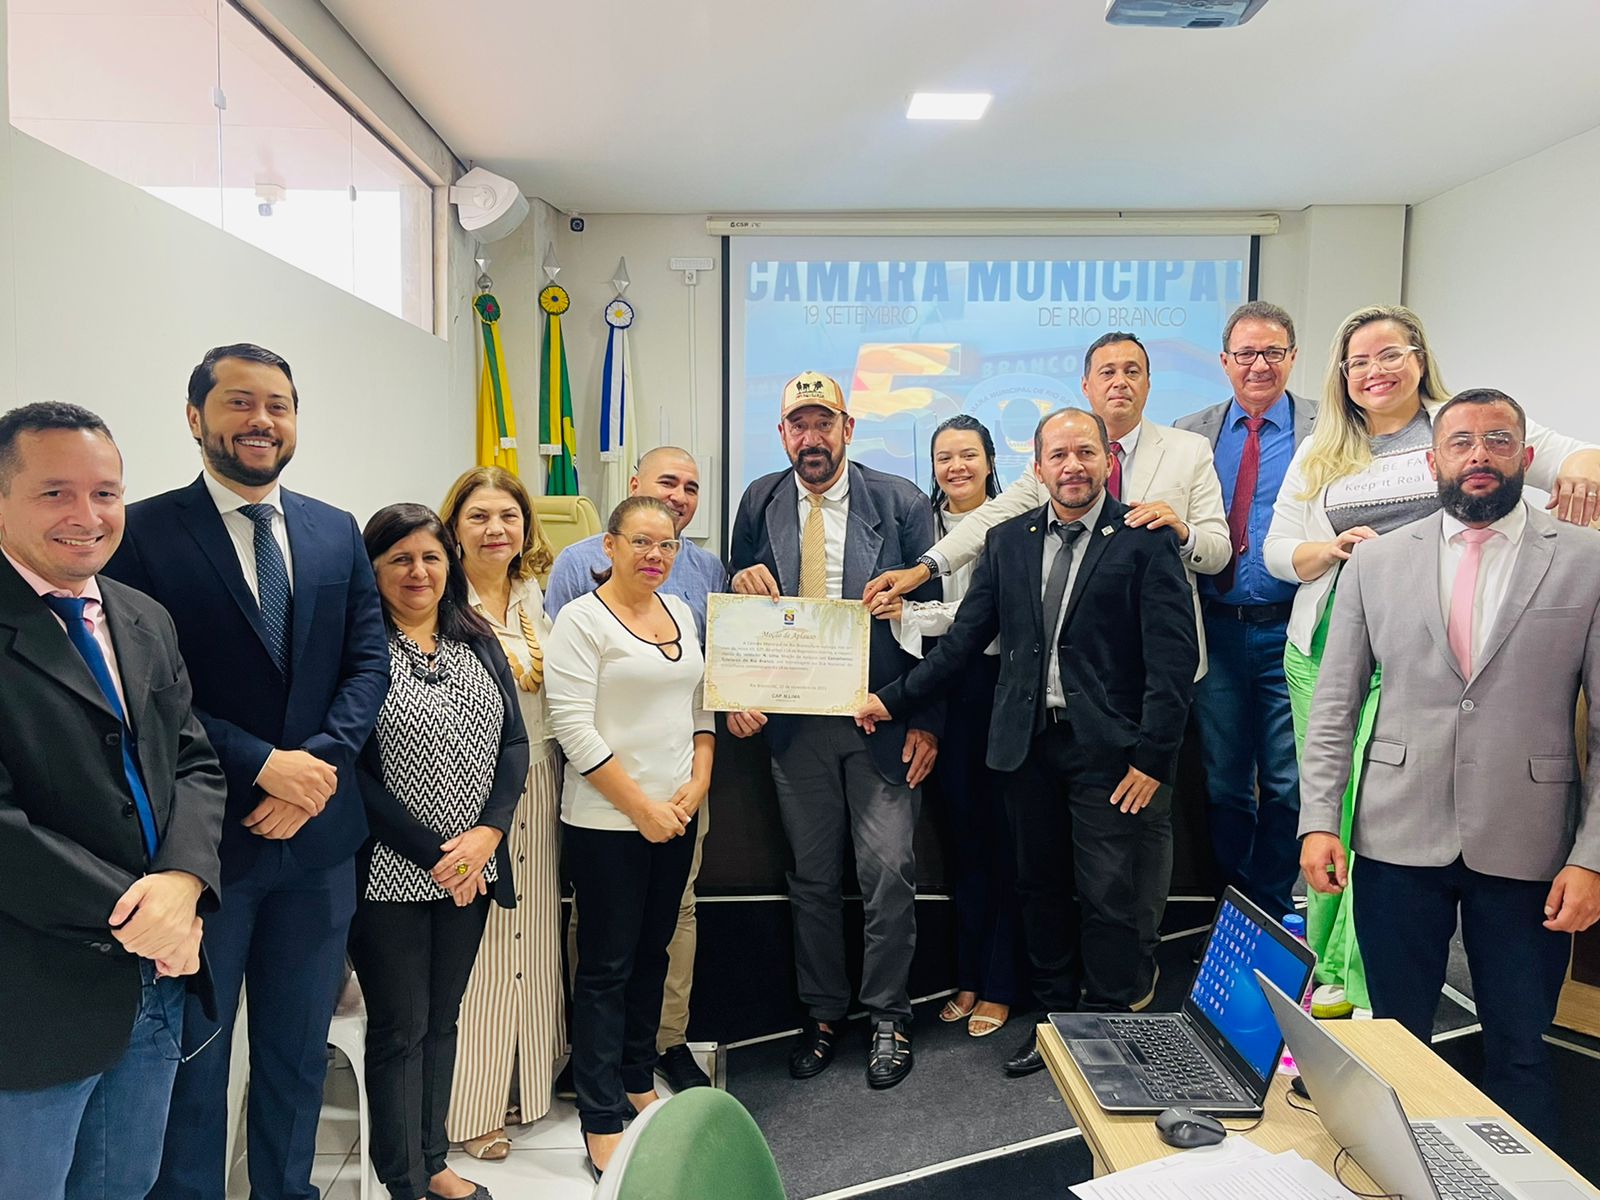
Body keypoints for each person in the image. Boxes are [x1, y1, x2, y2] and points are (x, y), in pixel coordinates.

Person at [105, 343, 390, 1200]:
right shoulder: (142, 534)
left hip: (318, 849)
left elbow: (366, 664)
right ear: (195, 418)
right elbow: (143, 688)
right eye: (239, 403)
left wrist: (315, 773)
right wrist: (263, 764)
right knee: (191, 1060)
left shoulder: (335, 529)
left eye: (278, 404)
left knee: (299, 1052)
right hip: (202, 851)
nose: (261, 420)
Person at [865, 333, 1228, 1006]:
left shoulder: (1146, 540)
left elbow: (1173, 666)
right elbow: (966, 639)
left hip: (1109, 750)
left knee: (1109, 892)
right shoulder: (1009, 540)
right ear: (1037, 466)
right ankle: (1057, 1020)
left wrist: (1152, 758)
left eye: (1086, 452)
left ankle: (1115, 1020)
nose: (1073, 465)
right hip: (1026, 744)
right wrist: (892, 700)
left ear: (1105, 465)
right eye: (1058, 454)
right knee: (1037, 886)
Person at [1265, 306, 1600, 1013]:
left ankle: (1363, 982)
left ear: (1420, 358)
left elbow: (1575, 456)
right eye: (1359, 361)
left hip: (1445, 658)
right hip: (1331, 638)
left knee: (1405, 822)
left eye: (1391, 354)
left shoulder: (1466, 424)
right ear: (1343, 376)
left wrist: (1585, 476)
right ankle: (1334, 969)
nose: (1376, 370)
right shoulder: (1322, 446)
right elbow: (1276, 551)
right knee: (1344, 811)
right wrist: (1334, 552)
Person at [1298, 388, 1600, 1140]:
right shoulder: (1375, 563)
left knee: (1521, 1051)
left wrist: (1593, 858)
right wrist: (1317, 824)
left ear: (1526, 459)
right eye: (1461, 443)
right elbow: (1334, 708)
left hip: (1530, 842)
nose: (1478, 456)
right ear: (1433, 460)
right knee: (1397, 1046)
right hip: (1397, 835)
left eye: (1498, 442)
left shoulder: (1587, 562)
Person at [0, 402, 226, 1200]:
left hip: (157, 984)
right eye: (55, 492)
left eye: (106, 492)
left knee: (122, 1186)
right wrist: (148, 913)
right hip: (33, 993)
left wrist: (187, 882)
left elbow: (194, 762)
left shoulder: (141, 618)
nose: (87, 516)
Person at [728, 370, 943, 1090]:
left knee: (888, 874)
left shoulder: (902, 502)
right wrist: (741, 582)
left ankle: (887, 1014)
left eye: (825, 424)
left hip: (881, 721)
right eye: (799, 425)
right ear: (783, 433)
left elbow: (937, 621)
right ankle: (821, 1013)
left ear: (848, 429)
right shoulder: (759, 499)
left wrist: (927, 722)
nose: (812, 438)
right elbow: (740, 599)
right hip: (797, 730)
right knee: (812, 879)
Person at [349, 504, 529, 1200]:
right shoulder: (359, 647)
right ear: (374, 570)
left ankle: (432, 1161)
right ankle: (401, 1180)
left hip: (473, 869)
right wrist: (434, 853)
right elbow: (354, 772)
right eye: (399, 559)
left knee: (443, 1020)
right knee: (401, 1027)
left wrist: (487, 834)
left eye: (429, 556)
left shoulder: (476, 637)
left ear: (448, 562)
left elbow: (513, 744)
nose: (417, 572)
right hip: (391, 873)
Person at [544, 445, 725, 1093]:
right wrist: (641, 807)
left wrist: (698, 784)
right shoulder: (577, 599)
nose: (656, 553)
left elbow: (705, 695)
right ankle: (596, 1091)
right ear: (611, 545)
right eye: (642, 541)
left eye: (668, 545)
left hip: (679, 807)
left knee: (659, 943)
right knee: (605, 957)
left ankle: (647, 1061)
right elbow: (572, 720)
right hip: (609, 814)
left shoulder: (687, 597)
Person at [875, 414, 1023, 1039]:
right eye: (943, 457)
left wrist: (918, 613)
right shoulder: (919, 531)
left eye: (969, 454)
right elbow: (905, 629)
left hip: (1003, 692)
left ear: (992, 461)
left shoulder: (1017, 526)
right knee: (963, 845)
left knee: (1008, 843)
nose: (956, 467)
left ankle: (1003, 983)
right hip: (942, 696)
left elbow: (986, 616)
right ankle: (968, 975)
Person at [1174, 301, 1318, 920]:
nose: (1259, 365)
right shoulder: (1191, 431)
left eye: (1273, 353)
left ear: (1291, 358)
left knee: (1289, 781)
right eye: (1246, 354)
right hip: (1218, 631)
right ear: (1225, 361)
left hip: (1296, 628)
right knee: (1227, 781)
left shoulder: (1327, 427)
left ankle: (1272, 903)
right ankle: (1233, 902)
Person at [437, 468, 566, 1158]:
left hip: (539, 779)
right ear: (453, 526)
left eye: (509, 517)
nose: (496, 530)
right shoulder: (440, 598)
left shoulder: (529, 594)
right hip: (472, 791)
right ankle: (473, 1106)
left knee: (534, 936)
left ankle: (527, 1085)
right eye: (480, 516)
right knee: (483, 950)